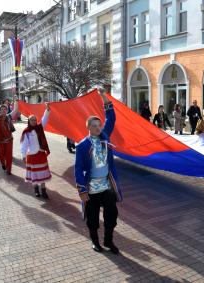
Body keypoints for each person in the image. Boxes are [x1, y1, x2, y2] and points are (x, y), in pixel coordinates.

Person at [75, 87, 122, 254]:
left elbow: (111, 116)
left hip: (107, 184)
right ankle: (95, 241)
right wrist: (81, 190)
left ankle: (108, 240)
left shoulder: (105, 136)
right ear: (88, 127)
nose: (97, 128)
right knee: (93, 217)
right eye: (93, 126)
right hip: (92, 187)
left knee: (111, 215)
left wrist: (103, 96)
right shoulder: (82, 145)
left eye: (99, 125)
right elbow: (79, 169)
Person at [21, 103, 51, 198]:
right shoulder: (26, 131)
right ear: (29, 121)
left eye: (35, 119)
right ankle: (36, 190)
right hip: (32, 155)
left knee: (42, 174)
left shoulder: (40, 127)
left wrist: (47, 110)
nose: (34, 121)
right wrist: (23, 155)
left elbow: (44, 119)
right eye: (31, 120)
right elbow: (24, 145)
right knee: (34, 174)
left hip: (41, 154)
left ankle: (44, 191)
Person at [0, 97, 19, 175]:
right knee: (1, 155)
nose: (3, 110)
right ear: (0, 111)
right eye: (2, 109)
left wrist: (16, 101)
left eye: (5, 109)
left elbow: (15, 110)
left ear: (7, 110)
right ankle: (3, 164)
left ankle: (9, 169)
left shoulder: (8, 117)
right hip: (0, 141)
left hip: (9, 139)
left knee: (9, 155)